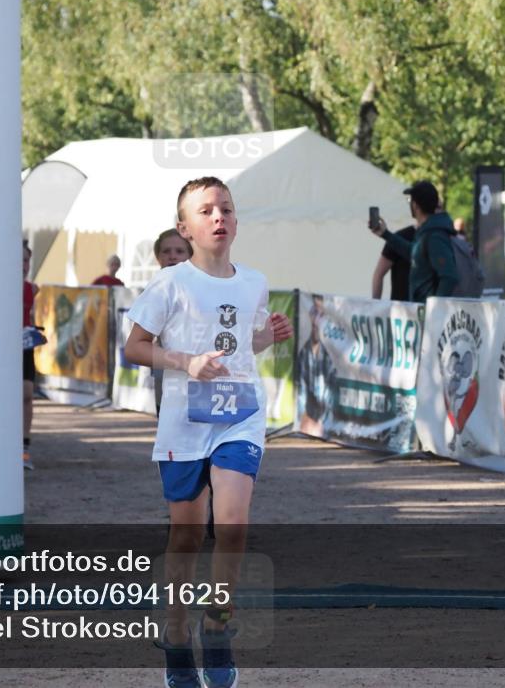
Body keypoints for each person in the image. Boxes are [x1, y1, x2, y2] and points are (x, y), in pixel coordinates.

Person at [124, 176, 292, 688]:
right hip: (184, 421)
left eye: (226, 208)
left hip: (240, 416)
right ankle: (176, 634)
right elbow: (134, 347)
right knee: (188, 535)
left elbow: (240, 347)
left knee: (233, 523)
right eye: (206, 211)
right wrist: (185, 361)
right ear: (185, 228)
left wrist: (267, 337)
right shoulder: (170, 283)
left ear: (236, 220)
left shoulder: (254, 282)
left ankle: (217, 626)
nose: (219, 217)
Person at [369, 180, 459, 303]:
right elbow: (415, 253)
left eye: (410, 201)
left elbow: (450, 276)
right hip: (421, 309)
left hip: (426, 310)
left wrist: (435, 308)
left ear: (415, 205)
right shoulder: (428, 231)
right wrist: (385, 234)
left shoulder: (434, 235)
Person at [152, 229, 193, 415]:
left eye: (179, 251)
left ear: (190, 255)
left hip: (200, 371)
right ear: (158, 257)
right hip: (166, 368)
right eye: (166, 251)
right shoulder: (155, 289)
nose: (172, 256)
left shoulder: (202, 285)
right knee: (167, 418)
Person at [295, 294, 337, 437]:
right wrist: (304, 420)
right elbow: (299, 394)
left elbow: (330, 401)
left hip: (322, 429)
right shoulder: (302, 354)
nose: (316, 320)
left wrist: (321, 423)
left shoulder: (330, 358)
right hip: (304, 427)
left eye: (321, 314)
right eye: (314, 313)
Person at [22, 240, 40, 469]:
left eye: (26, 260)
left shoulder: (32, 289)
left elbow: (32, 316)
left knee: (27, 394)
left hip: (25, 345)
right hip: (3, 348)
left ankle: (24, 448)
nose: (23, 265)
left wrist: (36, 332)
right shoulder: (2, 287)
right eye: (19, 260)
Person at [371, 224, 416, 300]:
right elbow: (379, 274)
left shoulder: (436, 238)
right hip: (401, 304)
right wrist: (375, 304)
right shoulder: (401, 236)